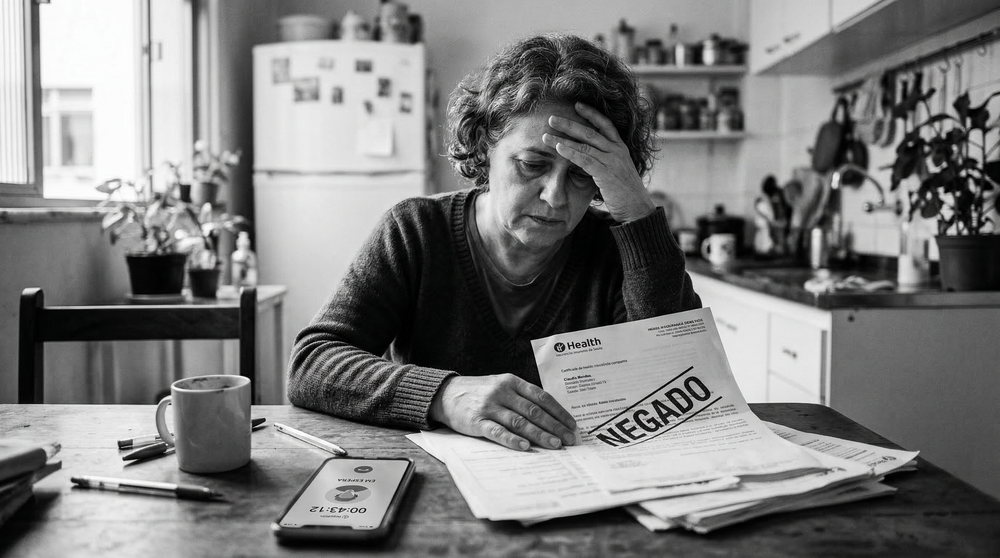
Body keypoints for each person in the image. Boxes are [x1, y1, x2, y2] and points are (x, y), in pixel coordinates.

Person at [287, 33, 701, 452]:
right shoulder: (415, 230)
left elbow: (681, 374)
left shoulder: (619, 249)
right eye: (531, 165)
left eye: (582, 173)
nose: (555, 196)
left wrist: (635, 210)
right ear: (486, 149)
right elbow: (313, 363)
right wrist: (445, 396)